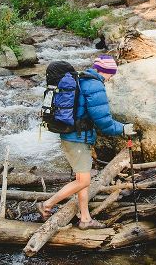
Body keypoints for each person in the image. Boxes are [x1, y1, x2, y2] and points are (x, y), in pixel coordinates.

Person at [38, 54, 136, 229]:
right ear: (103, 71)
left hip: (73, 136)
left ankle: (85, 219)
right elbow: (103, 121)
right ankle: (47, 205)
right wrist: (123, 129)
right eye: (110, 74)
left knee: (82, 178)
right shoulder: (95, 85)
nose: (110, 77)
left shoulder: (83, 78)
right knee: (83, 181)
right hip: (77, 139)